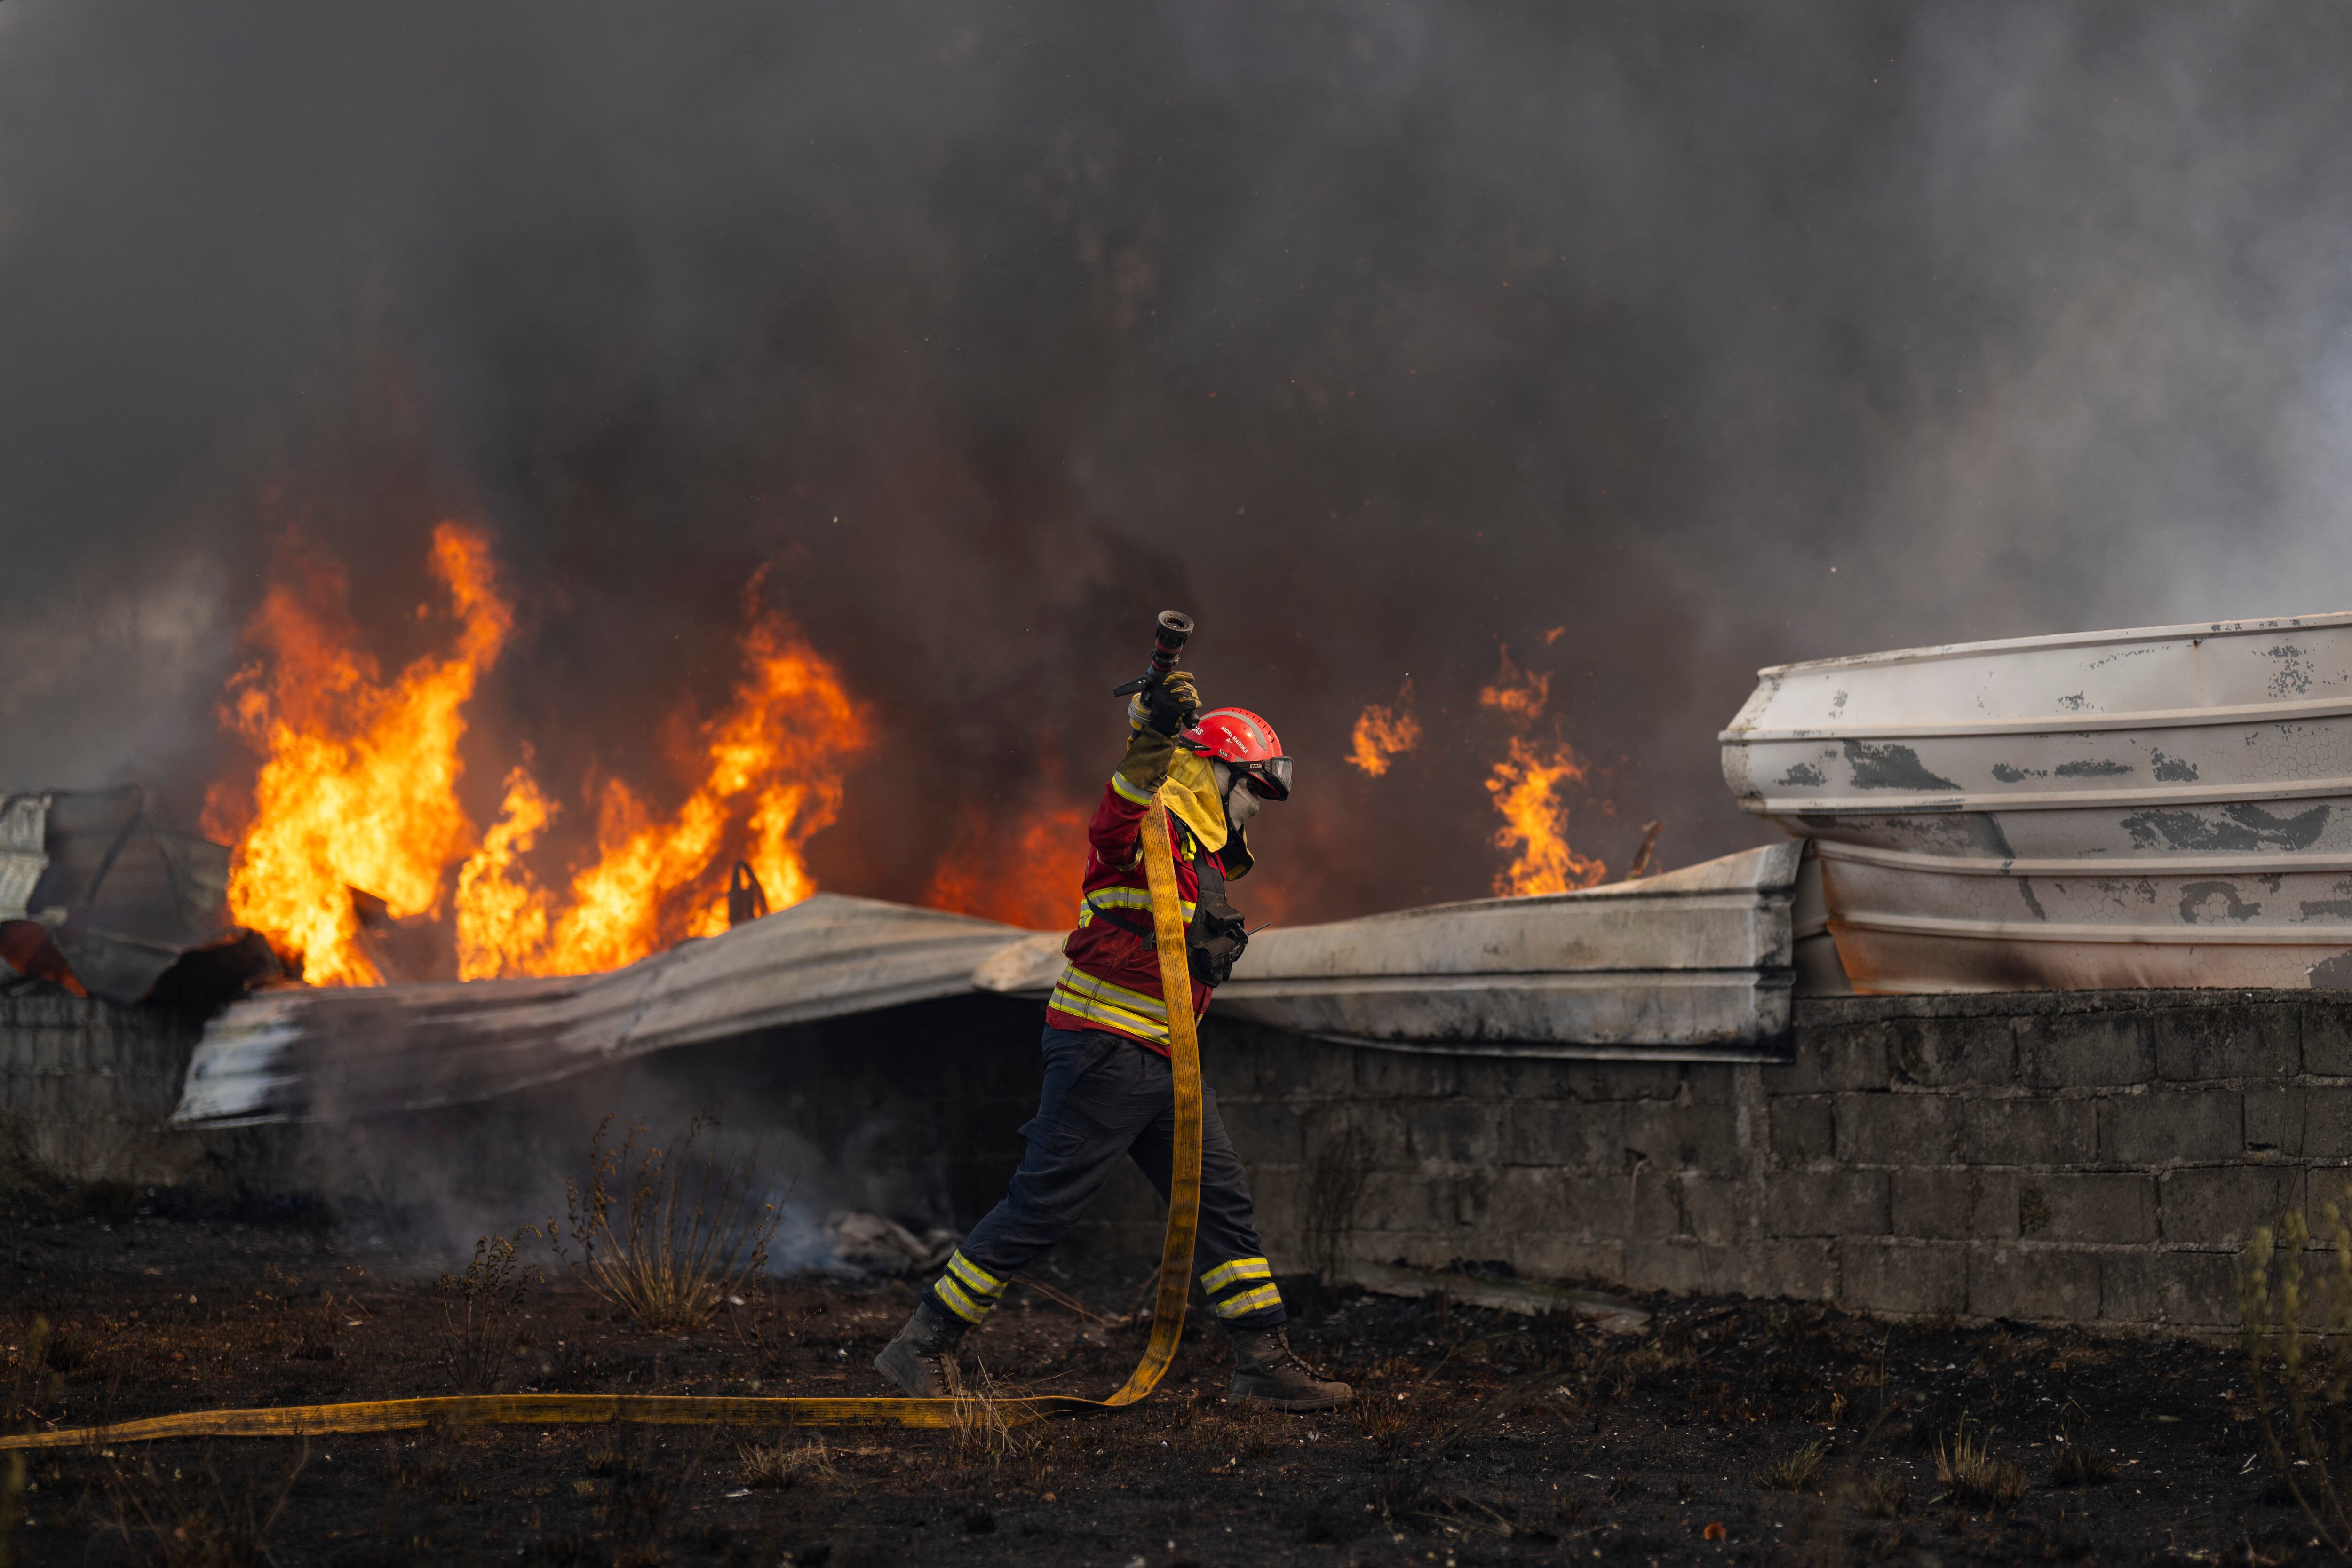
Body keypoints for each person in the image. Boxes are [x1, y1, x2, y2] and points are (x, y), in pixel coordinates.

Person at [873, 670, 1351, 1410]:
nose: (1258, 805)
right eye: (1253, 786)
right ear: (1215, 771)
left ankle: (1261, 1361)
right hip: (1105, 1049)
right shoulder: (1148, 822)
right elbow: (1116, 811)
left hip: (1166, 1058)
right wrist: (1149, 731)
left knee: (1220, 1201)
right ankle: (923, 1343)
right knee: (1042, 1206)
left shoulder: (1200, 854)